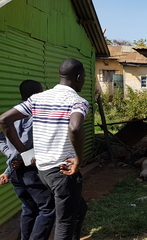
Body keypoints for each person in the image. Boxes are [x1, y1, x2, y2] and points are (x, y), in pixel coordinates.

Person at [0, 58, 89, 240]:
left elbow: (4, 120)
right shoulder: (77, 101)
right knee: (65, 222)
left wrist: (24, 152)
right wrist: (78, 158)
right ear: (79, 77)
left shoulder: (37, 99)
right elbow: (75, 127)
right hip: (62, 170)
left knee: (78, 208)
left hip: (43, 171)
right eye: (84, 77)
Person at [0, 80, 55, 240]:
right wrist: (14, 161)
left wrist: (10, 160)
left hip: (17, 172)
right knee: (47, 207)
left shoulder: (12, 112)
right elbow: (22, 146)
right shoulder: (32, 115)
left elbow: (3, 140)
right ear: (37, 94)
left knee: (29, 208)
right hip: (29, 171)